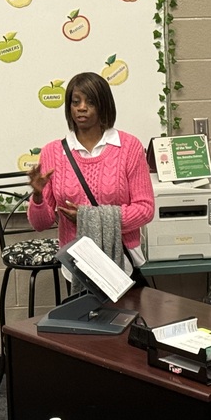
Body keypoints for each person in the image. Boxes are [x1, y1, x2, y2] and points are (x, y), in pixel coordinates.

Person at [27, 72, 154, 287]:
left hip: (123, 258)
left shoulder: (129, 147)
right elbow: (41, 224)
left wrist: (87, 218)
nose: (82, 108)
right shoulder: (53, 152)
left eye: (90, 102)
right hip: (76, 259)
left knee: (124, 310)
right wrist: (38, 196)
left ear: (104, 105)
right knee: (83, 310)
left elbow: (145, 209)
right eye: (75, 102)